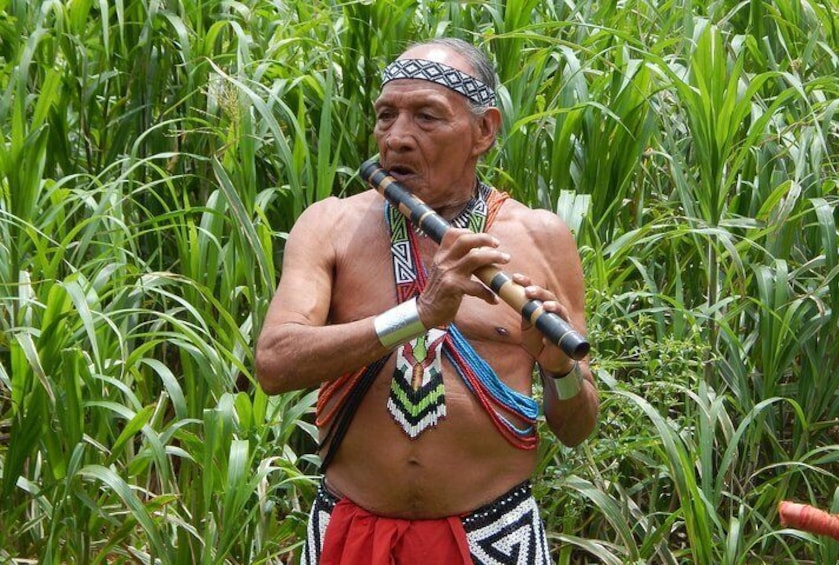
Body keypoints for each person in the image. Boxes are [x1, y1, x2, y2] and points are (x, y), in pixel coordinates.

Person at [255, 37, 599, 565]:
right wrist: (418, 315)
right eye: (386, 115)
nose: (397, 139)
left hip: (495, 539)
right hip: (350, 535)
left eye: (426, 117)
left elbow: (577, 428)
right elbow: (276, 363)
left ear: (483, 131)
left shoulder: (540, 238)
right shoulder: (331, 226)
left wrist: (559, 368)